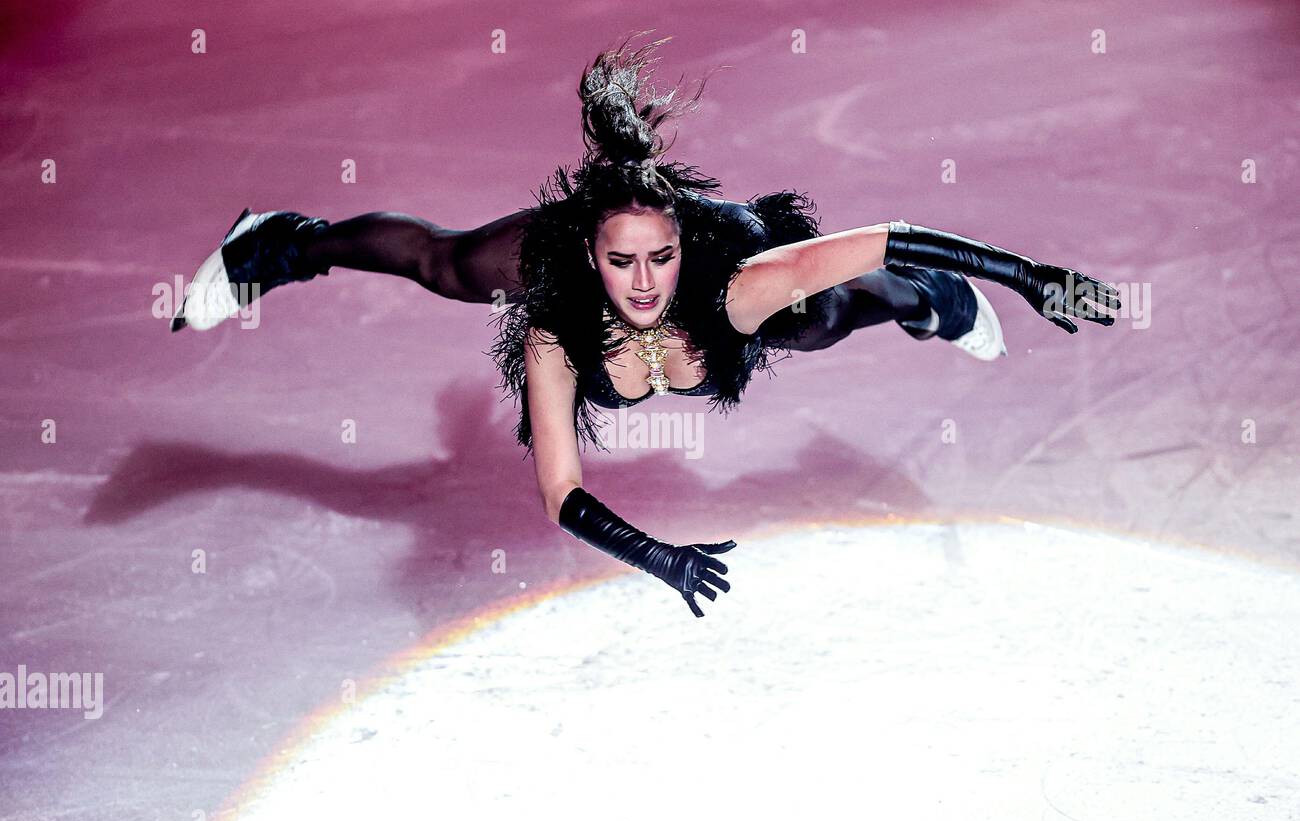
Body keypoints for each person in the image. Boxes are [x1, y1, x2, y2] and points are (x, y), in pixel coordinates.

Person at [172, 32, 1120, 618]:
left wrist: (1028, 276)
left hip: (749, 266)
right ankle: (280, 243)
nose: (641, 283)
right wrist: (657, 555)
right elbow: (561, 492)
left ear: (679, 249)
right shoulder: (556, 326)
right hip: (575, 258)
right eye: (620, 261)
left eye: (658, 260)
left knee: (823, 320)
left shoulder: (728, 287)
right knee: (449, 265)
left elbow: (887, 234)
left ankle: (938, 306)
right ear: (589, 253)